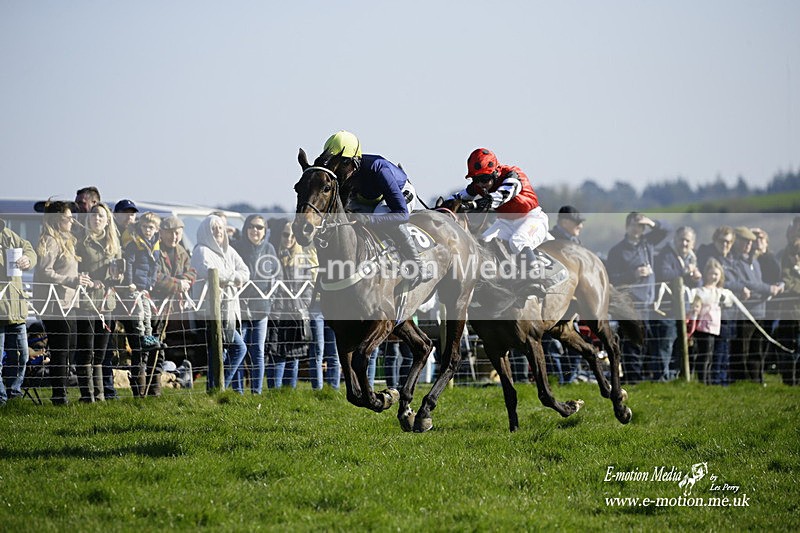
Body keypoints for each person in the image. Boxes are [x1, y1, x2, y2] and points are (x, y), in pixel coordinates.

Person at [317, 130, 431, 288]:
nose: (337, 169)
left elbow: (401, 215)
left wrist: (368, 220)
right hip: (368, 199)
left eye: (342, 163)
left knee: (380, 213)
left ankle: (418, 265)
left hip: (399, 194)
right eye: (332, 162)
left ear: (355, 161)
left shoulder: (378, 168)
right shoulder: (340, 176)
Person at [449, 147, 563, 296]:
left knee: (518, 241)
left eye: (484, 179)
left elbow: (500, 196)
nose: (481, 184)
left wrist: (475, 204)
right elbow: (460, 196)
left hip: (531, 218)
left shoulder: (513, 176)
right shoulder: (481, 183)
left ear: (495, 172)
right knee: (482, 244)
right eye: (476, 180)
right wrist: (443, 206)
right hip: (505, 222)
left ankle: (537, 279)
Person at [34, 201, 91, 405]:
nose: (71, 221)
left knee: (70, 347)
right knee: (60, 350)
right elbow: (44, 271)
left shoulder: (67, 240)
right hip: (54, 304)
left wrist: (79, 278)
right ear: (57, 219)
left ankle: (62, 392)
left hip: (69, 302)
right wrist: (71, 280)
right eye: (67, 217)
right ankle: (59, 396)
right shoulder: (49, 240)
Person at [606, 211, 669, 382]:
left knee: (645, 342)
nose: (638, 229)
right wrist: (632, 274)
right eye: (634, 224)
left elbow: (666, 230)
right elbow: (611, 278)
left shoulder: (647, 244)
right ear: (627, 226)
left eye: (641, 226)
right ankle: (633, 379)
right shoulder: (617, 251)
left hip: (648, 303)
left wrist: (651, 222)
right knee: (631, 343)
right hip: (629, 303)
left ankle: (643, 377)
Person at [191, 214, 249, 391]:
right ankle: (218, 387)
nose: (218, 231)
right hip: (210, 312)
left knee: (222, 352)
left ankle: (214, 389)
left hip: (229, 311)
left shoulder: (229, 251)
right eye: (213, 228)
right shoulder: (201, 250)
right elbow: (209, 272)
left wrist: (232, 277)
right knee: (237, 349)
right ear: (206, 231)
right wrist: (233, 277)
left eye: (220, 228)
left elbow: (245, 272)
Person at [74, 203, 122, 402]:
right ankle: (87, 394)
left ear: (107, 219)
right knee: (86, 348)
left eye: (101, 216)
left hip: (106, 302)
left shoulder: (113, 243)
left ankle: (100, 394)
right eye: (94, 215)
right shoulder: (81, 242)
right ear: (89, 219)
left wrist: (119, 277)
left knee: (102, 350)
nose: (97, 218)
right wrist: (85, 278)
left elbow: (119, 268)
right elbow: (75, 267)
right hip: (86, 301)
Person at [728, 226, 783, 383]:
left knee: (757, 349)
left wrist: (770, 288)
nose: (748, 245)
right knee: (742, 349)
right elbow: (747, 283)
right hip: (745, 312)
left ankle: (756, 379)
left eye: (750, 242)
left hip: (760, 311)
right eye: (745, 241)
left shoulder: (753, 262)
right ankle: (741, 380)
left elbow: (757, 283)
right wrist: (768, 289)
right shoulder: (735, 261)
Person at [231, 214, 279, 394]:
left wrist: (271, 299)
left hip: (262, 308)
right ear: (245, 229)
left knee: (258, 351)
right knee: (240, 351)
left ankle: (256, 392)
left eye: (259, 227)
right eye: (251, 226)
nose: (255, 230)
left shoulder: (270, 249)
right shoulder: (236, 247)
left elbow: (277, 276)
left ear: (265, 231)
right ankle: (237, 391)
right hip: (240, 308)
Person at [151, 215, 197, 396]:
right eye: (170, 233)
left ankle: (172, 375)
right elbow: (156, 276)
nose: (174, 237)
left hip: (175, 309)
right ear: (162, 233)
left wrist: (185, 281)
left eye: (178, 233)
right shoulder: (155, 250)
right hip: (157, 305)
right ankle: (156, 379)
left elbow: (191, 271)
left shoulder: (182, 252)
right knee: (156, 339)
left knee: (171, 342)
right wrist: (177, 284)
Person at [265, 219, 313, 389]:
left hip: (296, 314)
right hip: (277, 314)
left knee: (293, 358)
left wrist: (303, 305)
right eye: (286, 234)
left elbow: (308, 287)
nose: (289, 239)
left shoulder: (302, 259)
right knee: (277, 356)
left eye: (293, 235)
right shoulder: (272, 256)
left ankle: (289, 395)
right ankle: (274, 393)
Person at [653, 226, 702, 381]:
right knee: (666, 344)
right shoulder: (666, 255)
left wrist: (697, 278)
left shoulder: (692, 258)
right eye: (682, 239)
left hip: (685, 310)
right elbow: (664, 274)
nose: (684, 243)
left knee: (680, 345)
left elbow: (695, 283)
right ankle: (661, 377)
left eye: (688, 240)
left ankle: (674, 376)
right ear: (675, 239)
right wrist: (686, 273)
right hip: (667, 309)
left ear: (693, 243)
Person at [122, 211, 163, 397]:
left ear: (156, 229)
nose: (148, 230)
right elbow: (129, 263)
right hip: (134, 287)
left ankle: (148, 336)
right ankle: (141, 334)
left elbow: (156, 266)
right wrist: (130, 281)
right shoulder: (134, 245)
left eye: (151, 228)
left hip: (146, 288)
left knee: (147, 313)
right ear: (141, 227)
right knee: (138, 312)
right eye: (145, 227)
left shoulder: (155, 247)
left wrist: (152, 282)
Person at [0, 217, 37, 405]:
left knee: (22, 355)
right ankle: (1, 398)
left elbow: (29, 248)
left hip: (16, 310)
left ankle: (14, 394)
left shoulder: (8, 234)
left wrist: (27, 259)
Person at [695, 225, 737, 385]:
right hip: (708, 316)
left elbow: (735, 281)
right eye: (722, 241)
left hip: (726, 313)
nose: (725, 245)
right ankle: (709, 382)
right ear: (715, 240)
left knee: (723, 351)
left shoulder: (732, 259)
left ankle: (721, 382)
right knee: (708, 352)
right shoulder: (707, 256)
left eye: (728, 242)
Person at [687, 259, 735, 384]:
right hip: (703, 327)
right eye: (711, 274)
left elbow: (729, 301)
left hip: (714, 327)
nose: (714, 277)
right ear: (706, 274)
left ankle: (708, 380)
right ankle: (702, 380)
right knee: (704, 354)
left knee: (710, 355)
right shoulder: (701, 291)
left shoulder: (721, 292)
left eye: (716, 274)